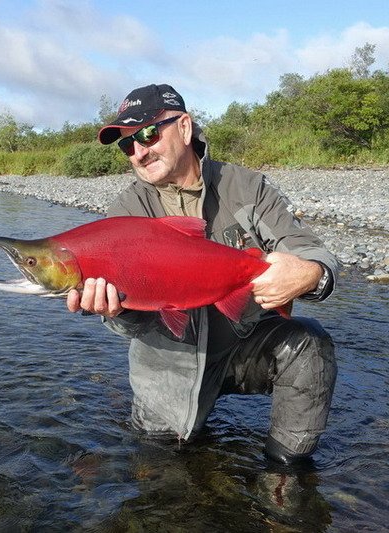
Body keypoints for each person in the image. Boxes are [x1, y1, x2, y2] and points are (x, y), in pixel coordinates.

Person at [66, 84, 338, 465]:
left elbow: (311, 251)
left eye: (147, 133)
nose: (139, 152)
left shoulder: (245, 187)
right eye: (127, 145)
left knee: (310, 344)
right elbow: (130, 328)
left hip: (242, 347)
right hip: (167, 369)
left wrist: (311, 274)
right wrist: (117, 312)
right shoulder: (128, 212)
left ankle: (286, 475)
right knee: (162, 478)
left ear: (185, 127)